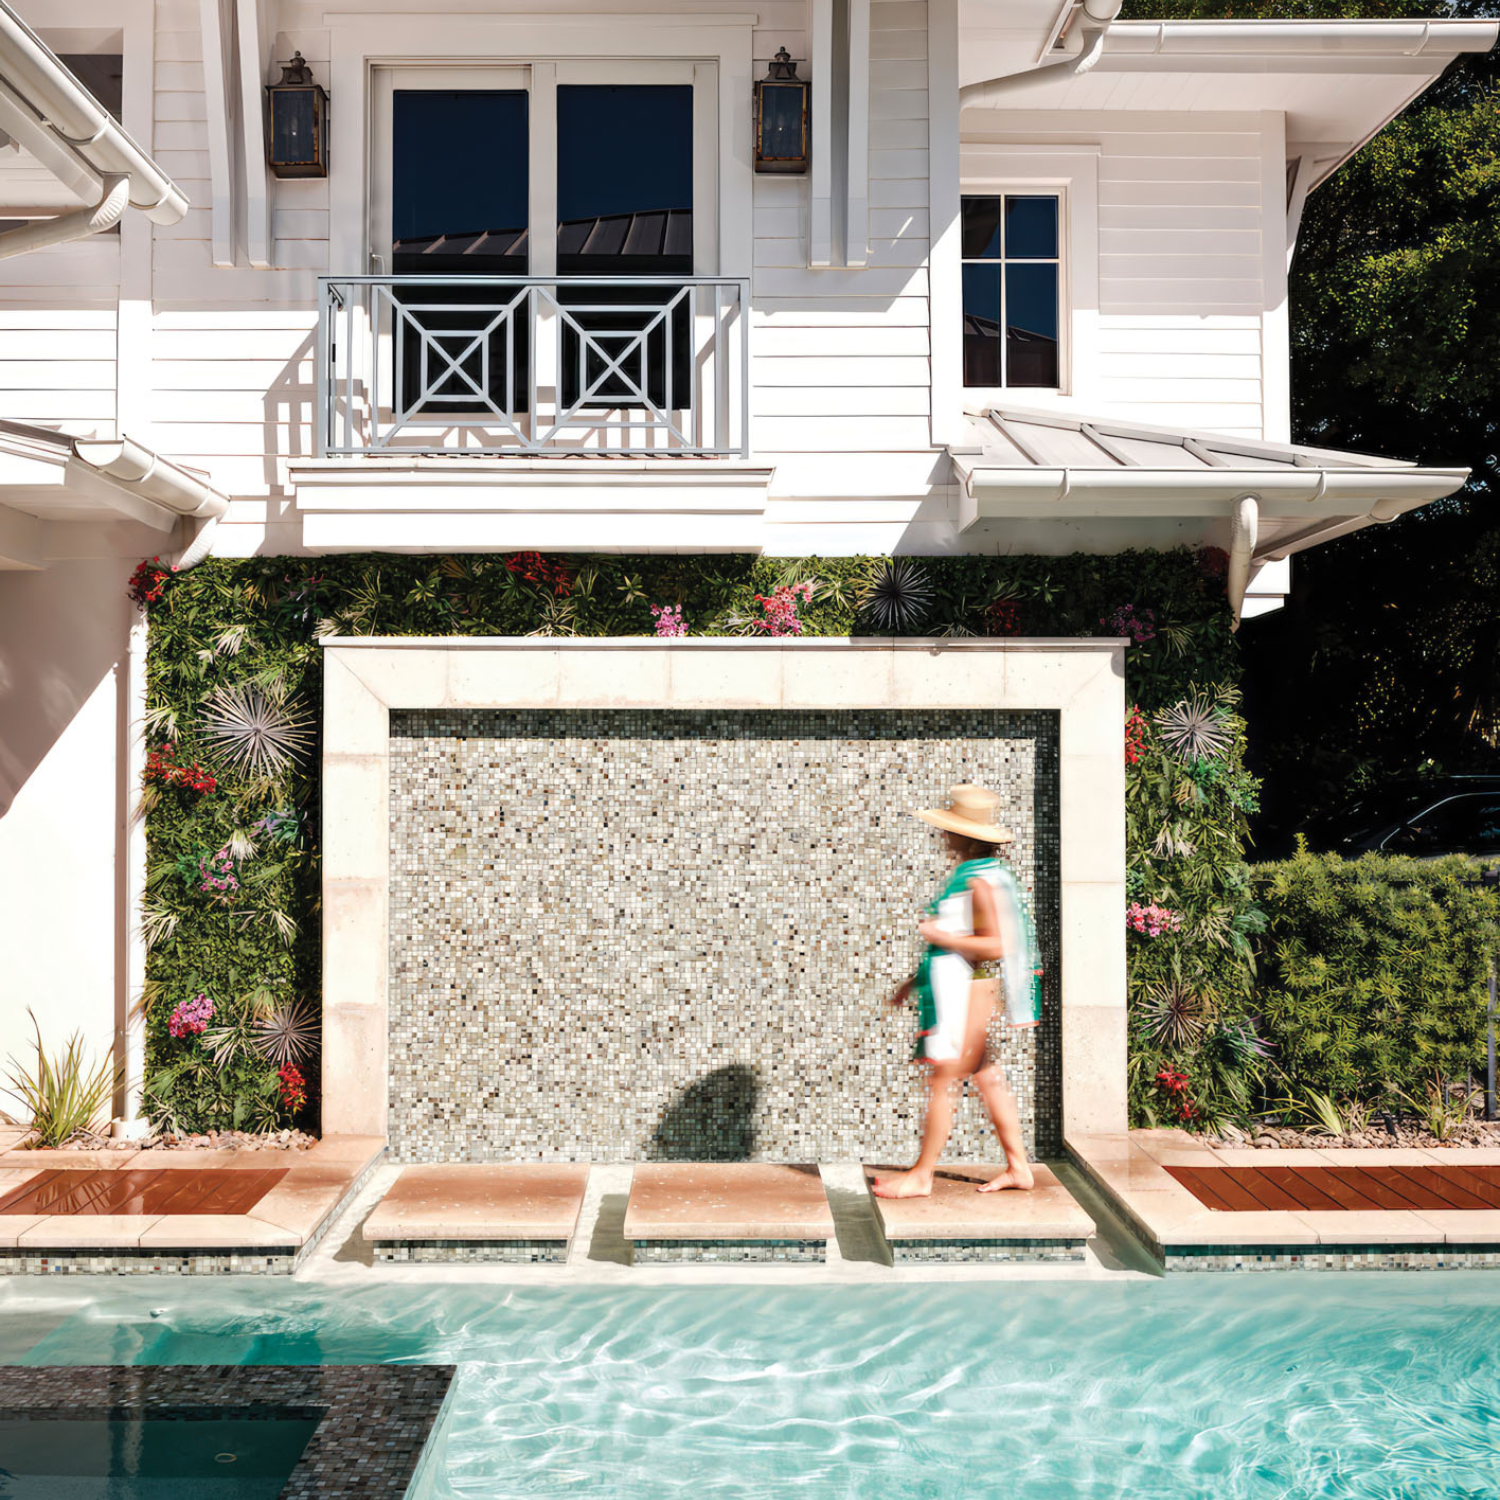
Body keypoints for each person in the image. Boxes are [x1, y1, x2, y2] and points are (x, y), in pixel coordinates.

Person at [873, 784, 1041, 1200]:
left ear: (967, 837)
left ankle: (923, 1175)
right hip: (971, 988)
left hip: (967, 993)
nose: (943, 835)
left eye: (950, 829)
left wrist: (938, 935)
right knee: (987, 1075)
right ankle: (1019, 1167)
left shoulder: (980, 884)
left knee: (943, 1079)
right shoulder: (982, 875)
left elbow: (995, 945)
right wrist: (913, 983)